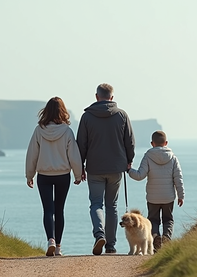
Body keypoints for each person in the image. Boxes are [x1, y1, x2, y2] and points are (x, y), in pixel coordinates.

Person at [77, 83, 135, 255]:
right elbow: (130, 142)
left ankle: (99, 234)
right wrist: (129, 160)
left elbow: (81, 144)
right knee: (112, 206)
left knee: (96, 204)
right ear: (112, 97)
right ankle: (110, 245)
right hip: (116, 167)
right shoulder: (122, 115)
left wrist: (80, 166)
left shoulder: (87, 117)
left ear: (97, 97)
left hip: (94, 167)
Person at [25, 97, 83, 257]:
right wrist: (78, 174)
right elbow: (74, 156)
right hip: (63, 175)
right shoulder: (67, 131)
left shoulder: (39, 130)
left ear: (46, 111)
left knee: (47, 210)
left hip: (43, 175)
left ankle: (50, 239)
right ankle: (58, 247)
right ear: (62, 111)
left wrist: (29, 174)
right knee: (59, 210)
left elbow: (32, 154)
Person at [127, 130, 184, 251]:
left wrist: (129, 170)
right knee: (168, 219)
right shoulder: (173, 158)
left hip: (152, 197)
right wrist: (181, 195)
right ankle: (167, 237)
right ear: (166, 143)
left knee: (153, 220)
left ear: (152, 143)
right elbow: (178, 178)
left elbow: (140, 175)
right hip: (168, 197)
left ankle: (155, 236)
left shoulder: (148, 156)